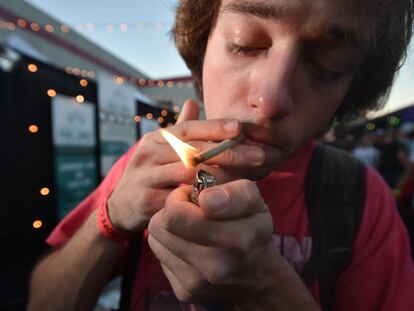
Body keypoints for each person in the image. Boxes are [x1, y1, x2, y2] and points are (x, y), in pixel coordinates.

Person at [28, 0, 414, 310]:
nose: (270, 99)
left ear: (352, 86)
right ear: (203, 43)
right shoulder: (151, 166)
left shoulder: (360, 197)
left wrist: (266, 286)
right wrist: (109, 221)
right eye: (246, 44)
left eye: (328, 65)